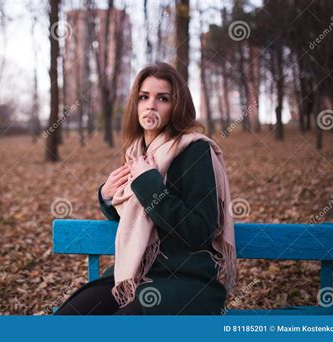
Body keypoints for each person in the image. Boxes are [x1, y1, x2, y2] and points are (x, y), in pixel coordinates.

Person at [54, 62, 236, 315]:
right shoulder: (137, 153)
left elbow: (199, 232)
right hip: (136, 273)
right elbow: (137, 215)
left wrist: (149, 184)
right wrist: (107, 198)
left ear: (177, 106)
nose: (151, 105)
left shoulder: (195, 151)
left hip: (184, 279)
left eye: (163, 98)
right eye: (144, 97)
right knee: (69, 317)